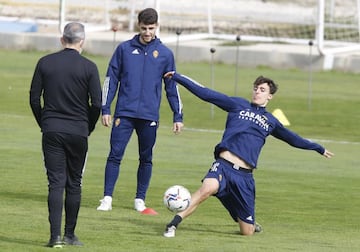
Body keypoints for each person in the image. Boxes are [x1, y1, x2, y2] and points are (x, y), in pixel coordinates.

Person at [162, 72, 334, 238]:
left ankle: (235, 207)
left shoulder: (271, 121)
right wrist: (178, 77)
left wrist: (318, 148)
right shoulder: (238, 105)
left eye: (262, 90)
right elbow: (207, 94)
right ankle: (173, 224)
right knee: (206, 189)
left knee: (247, 232)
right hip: (223, 165)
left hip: (244, 177)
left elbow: (293, 139)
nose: (257, 92)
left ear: (270, 97)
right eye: (256, 88)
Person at [97, 8, 184, 214]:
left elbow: (172, 87)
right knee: (115, 155)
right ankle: (107, 199)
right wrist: (105, 108)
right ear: (138, 26)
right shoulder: (124, 49)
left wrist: (177, 115)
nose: (147, 32)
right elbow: (111, 80)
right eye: (144, 28)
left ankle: (139, 200)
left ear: (157, 27)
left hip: (149, 116)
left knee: (146, 158)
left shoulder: (165, 54)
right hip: (124, 113)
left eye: (151, 28)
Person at [29, 22, 102, 247]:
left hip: (52, 129)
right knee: (74, 183)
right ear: (82, 41)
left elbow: (33, 98)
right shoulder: (89, 67)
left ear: (62, 40)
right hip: (78, 131)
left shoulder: (45, 62)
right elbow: (97, 104)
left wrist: (45, 122)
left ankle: (55, 237)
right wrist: (87, 127)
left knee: (55, 183)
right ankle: (70, 234)